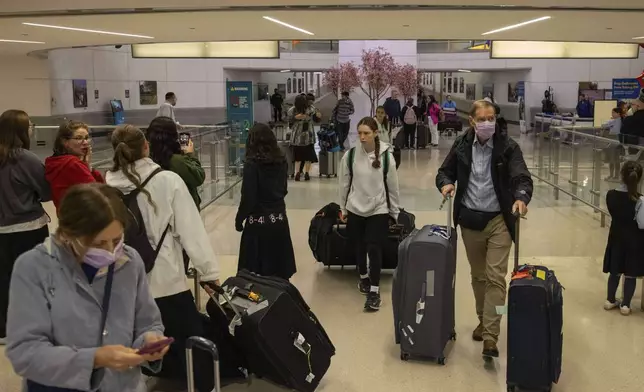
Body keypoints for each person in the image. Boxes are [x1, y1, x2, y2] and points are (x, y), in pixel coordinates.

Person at [5, 183, 168, 392]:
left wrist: (149, 341)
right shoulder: (34, 268)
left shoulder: (129, 261)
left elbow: (148, 322)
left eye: (116, 240)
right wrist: (94, 359)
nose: (111, 251)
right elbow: (25, 352)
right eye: (98, 244)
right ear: (68, 234)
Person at [105, 124, 221, 391]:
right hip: (165, 278)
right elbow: (191, 231)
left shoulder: (106, 183)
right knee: (188, 337)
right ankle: (199, 383)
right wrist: (208, 272)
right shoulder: (167, 180)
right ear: (145, 147)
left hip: (123, 280)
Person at [436, 99, 533, 359]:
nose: (488, 123)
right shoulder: (461, 145)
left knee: (495, 278)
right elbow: (444, 172)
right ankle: (483, 320)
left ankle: (491, 335)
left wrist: (521, 196)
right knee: (478, 277)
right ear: (472, 121)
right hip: (469, 220)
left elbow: (521, 176)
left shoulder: (507, 147)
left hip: (499, 220)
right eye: (483, 119)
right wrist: (446, 184)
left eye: (492, 118)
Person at [0, 109, 51, 346]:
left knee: (4, 278)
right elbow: (46, 190)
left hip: (3, 232)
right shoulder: (24, 158)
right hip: (27, 228)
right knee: (32, 279)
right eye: (29, 124)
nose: (32, 128)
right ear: (20, 130)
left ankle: (5, 329)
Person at [339, 117, 400, 312]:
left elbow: (393, 187)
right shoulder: (350, 156)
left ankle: (374, 291)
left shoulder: (386, 157)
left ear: (375, 133)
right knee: (359, 245)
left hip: (378, 208)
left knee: (374, 248)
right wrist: (343, 208)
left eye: (366, 133)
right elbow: (343, 184)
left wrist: (394, 212)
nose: (363, 137)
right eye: (360, 133)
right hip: (355, 208)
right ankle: (363, 278)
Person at [235, 123, 296, 279]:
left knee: (254, 274)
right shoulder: (281, 160)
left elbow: (248, 196)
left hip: (258, 225)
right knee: (279, 271)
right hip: (279, 220)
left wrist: (239, 219)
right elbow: (284, 189)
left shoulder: (252, 164)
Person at [603, 161, 644, 316]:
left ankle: (610, 300)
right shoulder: (640, 200)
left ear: (621, 175)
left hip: (616, 238)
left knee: (615, 271)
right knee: (630, 274)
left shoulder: (611, 195)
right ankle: (626, 304)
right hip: (634, 241)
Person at [146, 116, 205, 208]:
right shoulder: (177, 161)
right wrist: (190, 154)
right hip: (183, 211)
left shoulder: (146, 159)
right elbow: (198, 177)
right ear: (173, 136)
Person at [45, 120, 104, 211]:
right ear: (65, 142)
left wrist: (87, 165)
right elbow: (100, 193)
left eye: (87, 137)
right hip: (84, 218)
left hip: (68, 217)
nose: (85, 142)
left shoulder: (55, 162)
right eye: (79, 138)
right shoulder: (73, 164)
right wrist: (87, 167)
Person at [288, 94, 320, 181]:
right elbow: (316, 118)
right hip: (308, 135)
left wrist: (295, 118)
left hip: (297, 136)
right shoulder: (310, 108)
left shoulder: (293, 109)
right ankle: (307, 173)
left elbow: (288, 120)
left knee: (298, 157)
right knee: (308, 156)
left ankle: (297, 173)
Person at [603, 107, 625, 180]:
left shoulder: (615, 121)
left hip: (613, 140)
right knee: (616, 160)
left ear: (618, 113)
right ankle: (616, 176)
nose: (612, 114)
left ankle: (612, 175)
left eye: (613, 112)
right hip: (618, 141)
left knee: (612, 160)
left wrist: (610, 121)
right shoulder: (621, 121)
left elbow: (603, 125)